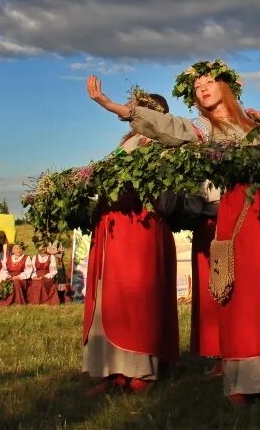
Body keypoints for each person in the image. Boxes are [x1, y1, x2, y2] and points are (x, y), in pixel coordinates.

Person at [92, 60, 260, 404]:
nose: (202, 89)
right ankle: (245, 380)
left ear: (225, 85)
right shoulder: (203, 127)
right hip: (236, 211)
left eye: (209, 82)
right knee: (242, 297)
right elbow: (170, 128)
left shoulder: (255, 126)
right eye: (196, 87)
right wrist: (118, 107)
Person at [82, 87, 180, 395]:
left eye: (134, 106)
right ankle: (112, 372)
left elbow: (162, 190)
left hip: (141, 224)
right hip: (115, 225)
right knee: (112, 297)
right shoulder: (128, 143)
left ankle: (140, 369)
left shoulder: (161, 144)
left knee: (138, 297)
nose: (128, 110)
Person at [0, 241, 33, 305]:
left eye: (20, 248)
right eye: (16, 249)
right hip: (10, 276)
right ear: (13, 250)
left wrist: (18, 277)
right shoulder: (8, 258)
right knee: (5, 283)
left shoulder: (26, 258)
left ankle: (17, 302)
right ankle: (6, 301)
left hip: (22, 278)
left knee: (16, 283)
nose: (18, 250)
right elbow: (4, 270)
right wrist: (7, 276)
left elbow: (28, 270)